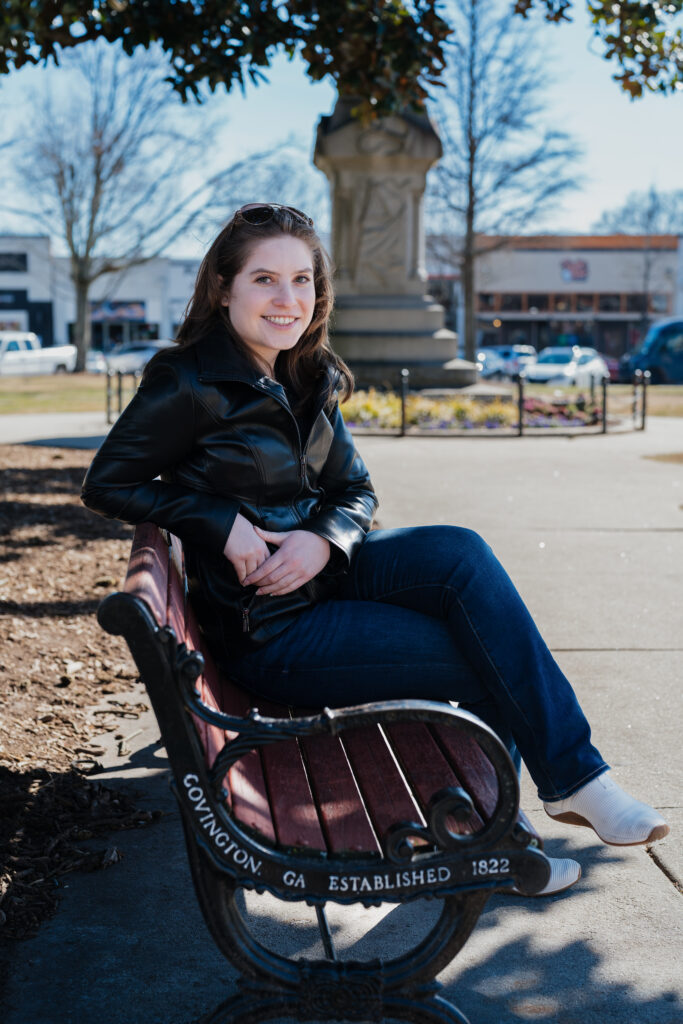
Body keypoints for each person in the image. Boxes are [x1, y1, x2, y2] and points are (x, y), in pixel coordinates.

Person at [82, 203, 669, 897]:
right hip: (271, 629)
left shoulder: (309, 373)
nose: (287, 299)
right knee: (489, 659)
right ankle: (504, 839)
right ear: (223, 288)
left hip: (325, 579)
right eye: (265, 279)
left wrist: (321, 541)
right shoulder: (187, 380)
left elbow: (354, 490)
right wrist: (218, 521)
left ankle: (568, 786)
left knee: (460, 552)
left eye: (301, 280)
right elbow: (108, 482)